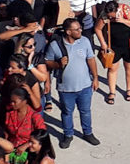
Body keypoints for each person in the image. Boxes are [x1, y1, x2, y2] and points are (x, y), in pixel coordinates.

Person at [43, 16, 100, 146]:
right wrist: (57, 64)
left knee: (85, 111)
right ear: (68, 32)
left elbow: (91, 60)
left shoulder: (85, 41)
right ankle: (68, 134)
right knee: (67, 112)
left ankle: (88, 133)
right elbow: (47, 63)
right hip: (66, 88)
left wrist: (95, 78)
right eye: (77, 29)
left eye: (80, 28)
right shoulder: (55, 46)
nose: (80, 31)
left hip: (85, 86)